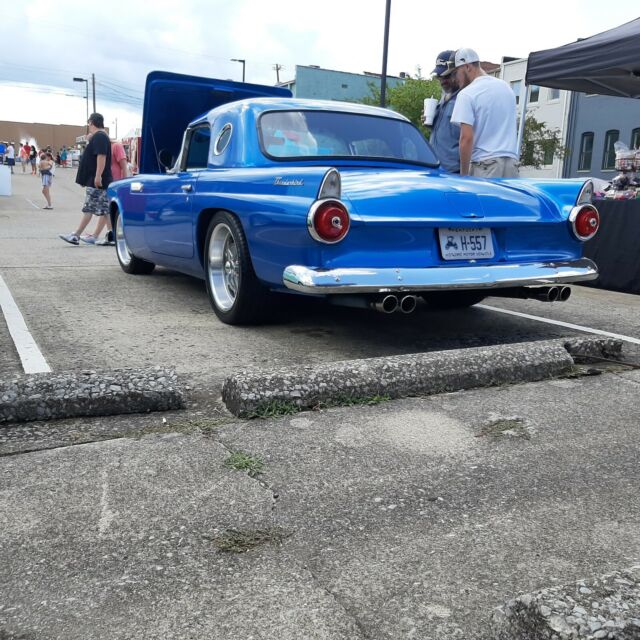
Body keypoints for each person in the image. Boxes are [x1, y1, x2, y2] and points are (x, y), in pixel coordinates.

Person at [443, 48, 519, 178]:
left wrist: (464, 175)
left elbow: (466, 138)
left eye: (455, 73)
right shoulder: (506, 88)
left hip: (485, 166)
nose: (454, 79)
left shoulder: (467, 94)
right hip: (511, 165)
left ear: (467, 67)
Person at [59, 113, 113, 246]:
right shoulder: (100, 136)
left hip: (98, 180)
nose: (88, 126)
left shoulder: (100, 136)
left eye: (88, 123)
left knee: (89, 208)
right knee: (106, 209)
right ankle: (112, 235)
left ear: (91, 122)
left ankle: (76, 235)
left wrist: (97, 175)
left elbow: (101, 156)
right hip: (100, 180)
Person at [80, 138, 128, 245]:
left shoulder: (116, 146)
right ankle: (97, 235)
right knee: (106, 210)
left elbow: (124, 165)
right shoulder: (103, 148)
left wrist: (124, 183)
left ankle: (105, 236)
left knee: (107, 210)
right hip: (107, 184)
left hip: (115, 183)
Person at [427, 50, 461, 173]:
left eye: (446, 76)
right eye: (439, 76)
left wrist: (464, 174)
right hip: (435, 168)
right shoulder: (444, 97)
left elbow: (468, 138)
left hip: (453, 172)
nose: (442, 81)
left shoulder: (465, 98)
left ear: (457, 72)